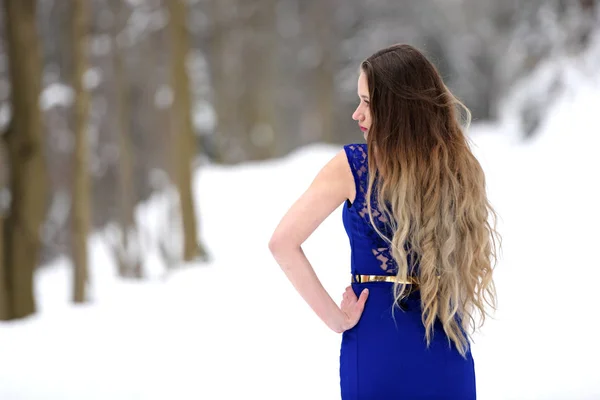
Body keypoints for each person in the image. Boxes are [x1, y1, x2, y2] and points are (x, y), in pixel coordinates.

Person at [268, 43, 499, 399]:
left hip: (377, 344)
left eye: (368, 103)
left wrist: (337, 319)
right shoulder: (457, 167)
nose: (356, 114)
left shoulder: (355, 166)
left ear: (397, 109)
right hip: (444, 342)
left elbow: (282, 242)